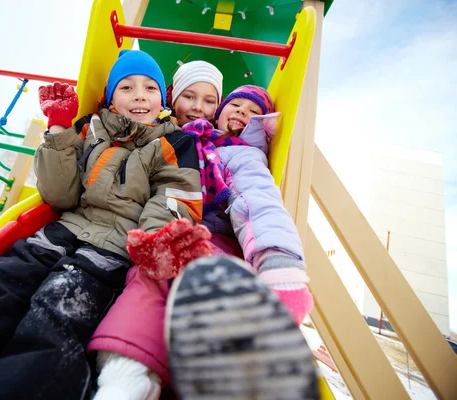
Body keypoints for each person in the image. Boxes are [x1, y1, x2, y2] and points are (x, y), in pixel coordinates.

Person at [0, 50, 210, 400]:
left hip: (112, 250)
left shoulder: (173, 142)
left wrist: (158, 238)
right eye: (127, 86)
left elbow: (175, 194)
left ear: (161, 100)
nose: (139, 94)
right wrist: (59, 129)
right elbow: (60, 195)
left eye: (150, 88)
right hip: (58, 234)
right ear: (110, 97)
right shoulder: (89, 130)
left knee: (55, 317)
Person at [88, 78, 318, 399]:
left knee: (202, 280)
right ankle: (127, 375)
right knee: (151, 274)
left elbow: (258, 202)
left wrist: (278, 260)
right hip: (169, 224)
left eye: (254, 112)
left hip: (214, 239)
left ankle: (226, 368)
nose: (242, 113)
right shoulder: (189, 137)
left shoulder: (243, 154)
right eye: (236, 106)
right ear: (220, 112)